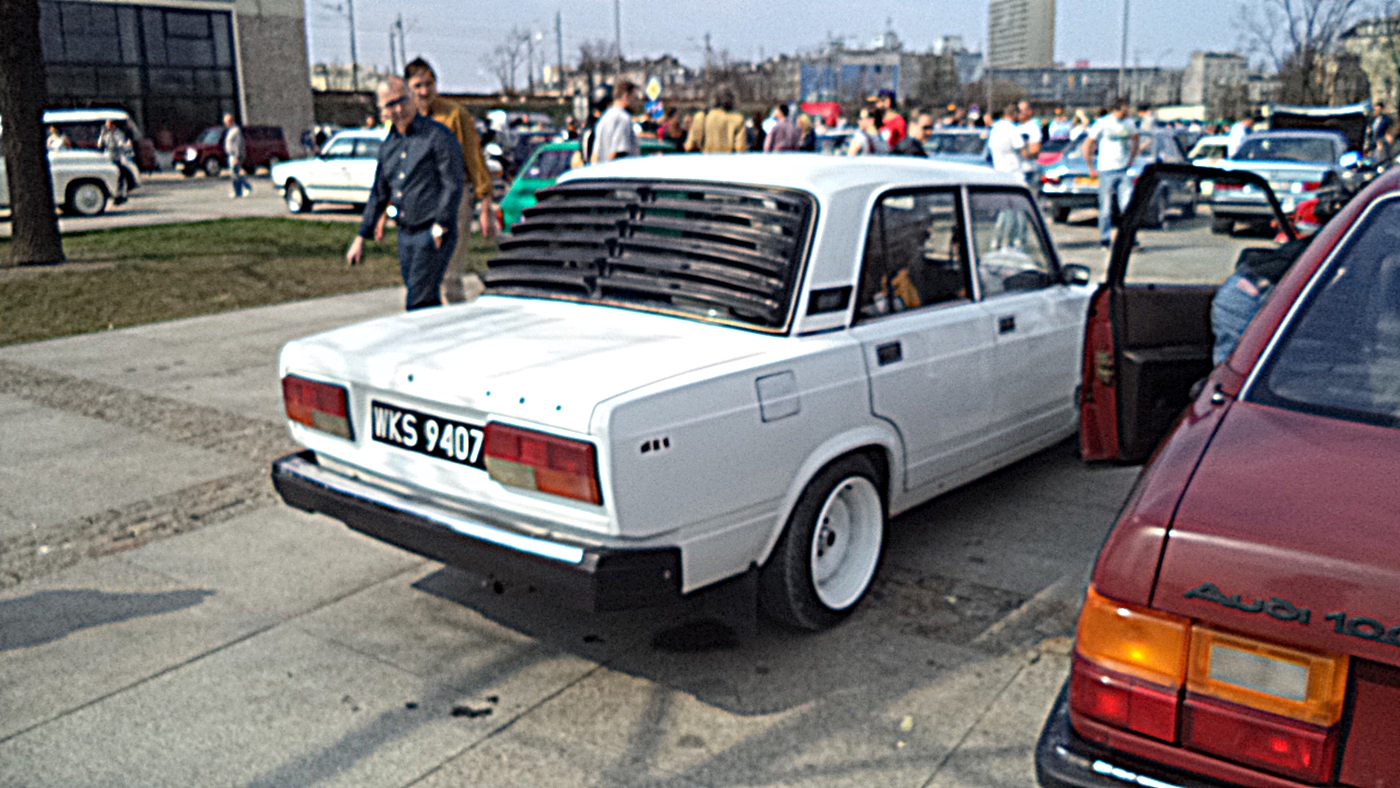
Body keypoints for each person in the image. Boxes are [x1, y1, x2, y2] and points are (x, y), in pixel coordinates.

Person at [346, 77, 465, 311]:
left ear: (412, 99)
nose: (398, 109)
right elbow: (379, 192)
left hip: (432, 231)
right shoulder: (389, 146)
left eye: (402, 101)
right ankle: (439, 341)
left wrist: (442, 222)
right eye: (390, 105)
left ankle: (421, 343)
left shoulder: (437, 136)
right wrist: (362, 236)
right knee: (424, 298)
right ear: (382, 111)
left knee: (417, 300)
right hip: (406, 233)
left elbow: (452, 183)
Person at [405, 57, 497, 304]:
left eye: (429, 84)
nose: (425, 91)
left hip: (453, 201)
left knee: (449, 274)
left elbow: (474, 160)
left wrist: (486, 204)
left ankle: (457, 328)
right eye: (418, 86)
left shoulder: (455, 115)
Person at [1083, 99, 1140, 247]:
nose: (1125, 113)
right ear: (1116, 110)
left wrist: (1132, 157)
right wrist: (1090, 165)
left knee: (1127, 205)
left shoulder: (1129, 123)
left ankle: (1128, 237)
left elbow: (1135, 137)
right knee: (1106, 207)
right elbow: (1088, 142)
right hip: (1106, 169)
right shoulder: (1103, 123)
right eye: (1123, 110)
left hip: (1123, 169)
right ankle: (1105, 237)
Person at [684, 88, 748, 153]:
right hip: (728, 161)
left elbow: (690, 146)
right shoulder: (737, 119)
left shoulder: (701, 117)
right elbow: (740, 149)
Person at [592, 80, 640, 162]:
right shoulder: (623, 118)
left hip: (600, 172)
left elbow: (595, 155)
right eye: (634, 97)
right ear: (626, 96)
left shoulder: (604, 117)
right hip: (617, 172)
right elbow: (618, 152)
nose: (637, 101)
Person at [988, 104, 1027, 174]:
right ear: (1015, 114)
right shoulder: (1012, 128)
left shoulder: (995, 127)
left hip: (998, 167)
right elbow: (1020, 147)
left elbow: (990, 146)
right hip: (1013, 168)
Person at [221, 114, 251, 198]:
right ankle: (240, 191)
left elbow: (238, 144)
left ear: (230, 121)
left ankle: (244, 188)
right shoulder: (230, 130)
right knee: (234, 173)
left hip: (235, 155)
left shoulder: (236, 130)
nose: (225, 124)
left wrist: (237, 157)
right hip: (230, 154)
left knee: (234, 173)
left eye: (226, 122)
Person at [1017, 100, 1043, 186]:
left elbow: (1035, 150)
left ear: (1029, 112)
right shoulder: (1014, 126)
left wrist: (1019, 149)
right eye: (1019, 110)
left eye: (1023, 110)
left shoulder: (1033, 127)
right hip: (1014, 171)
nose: (1020, 112)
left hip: (1028, 172)